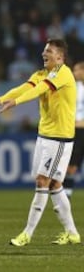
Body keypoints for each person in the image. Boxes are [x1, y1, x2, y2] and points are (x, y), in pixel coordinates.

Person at [0, 38, 81, 246]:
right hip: (44, 135)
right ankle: (72, 233)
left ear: (60, 57)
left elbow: (39, 90)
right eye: (44, 50)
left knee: (42, 181)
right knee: (54, 184)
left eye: (50, 51)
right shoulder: (40, 74)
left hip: (59, 137)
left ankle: (27, 233)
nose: (44, 54)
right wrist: (0, 99)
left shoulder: (63, 72)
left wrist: (14, 103)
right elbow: (24, 87)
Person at [63, 61, 84, 198]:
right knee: (72, 165)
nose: (74, 73)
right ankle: (66, 195)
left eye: (77, 70)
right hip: (76, 130)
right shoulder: (73, 87)